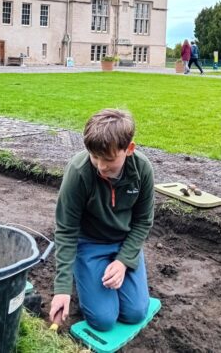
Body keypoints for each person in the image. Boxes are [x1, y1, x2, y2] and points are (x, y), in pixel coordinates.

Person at [49, 109, 154, 332]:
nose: (100, 166)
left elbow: (143, 221)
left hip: (123, 242)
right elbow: (66, 230)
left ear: (129, 149)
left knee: (135, 313)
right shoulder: (78, 172)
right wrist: (62, 289)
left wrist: (124, 261)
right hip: (89, 244)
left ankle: (114, 269)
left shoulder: (142, 169)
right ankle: (84, 272)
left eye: (108, 159)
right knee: (103, 321)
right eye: (94, 157)